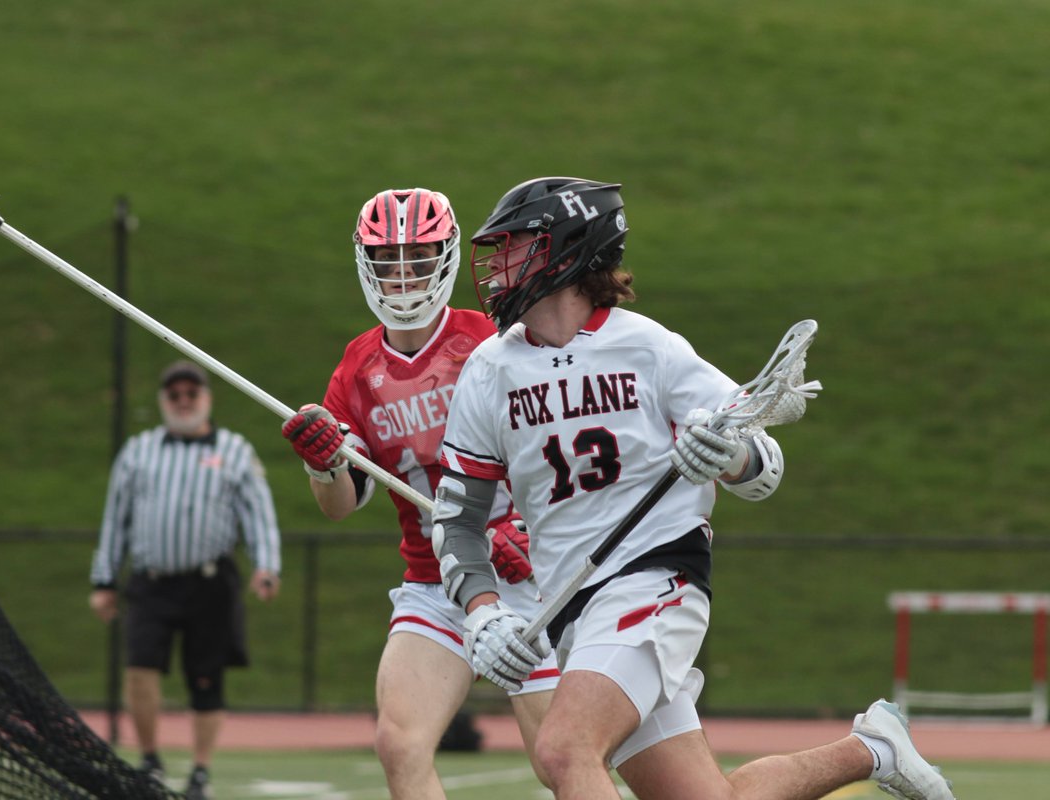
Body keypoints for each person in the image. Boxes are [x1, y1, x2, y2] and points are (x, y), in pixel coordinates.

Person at [430, 177, 956, 800]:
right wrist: (482, 615)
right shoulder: (489, 371)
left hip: (654, 580)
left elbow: (765, 467)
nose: (498, 266)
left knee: (564, 749)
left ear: (568, 249)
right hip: (573, 610)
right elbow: (458, 519)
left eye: (517, 246)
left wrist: (726, 454)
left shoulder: (649, 348)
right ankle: (873, 749)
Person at [280, 188, 559, 799]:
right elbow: (342, 505)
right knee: (399, 743)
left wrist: (530, 532)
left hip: (526, 574)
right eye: (387, 260)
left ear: (447, 258)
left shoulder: (494, 340)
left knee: (560, 760)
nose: (402, 274)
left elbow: (552, 447)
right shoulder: (356, 369)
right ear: (365, 264)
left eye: (417, 256)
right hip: (435, 581)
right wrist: (322, 467)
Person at [89, 359, 282, 800]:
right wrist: (104, 580)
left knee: (206, 679)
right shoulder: (138, 451)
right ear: (163, 401)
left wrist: (266, 567)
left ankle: (200, 771)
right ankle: (151, 761)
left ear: (206, 399)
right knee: (140, 668)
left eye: (190, 394)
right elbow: (115, 519)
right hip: (151, 582)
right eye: (174, 395)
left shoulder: (234, 450)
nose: (183, 402)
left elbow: (259, 515)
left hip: (209, 583)